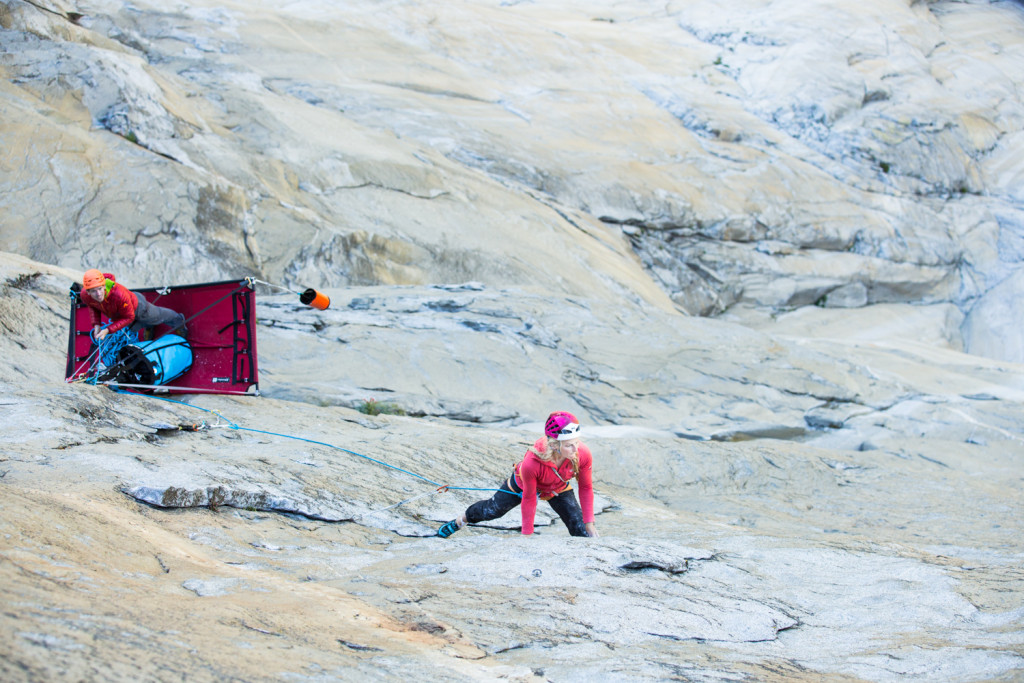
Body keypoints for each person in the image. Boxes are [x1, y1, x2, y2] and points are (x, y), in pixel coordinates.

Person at [437, 411, 598, 538]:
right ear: (555, 445)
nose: (576, 449)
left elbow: (585, 487)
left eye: (577, 442)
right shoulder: (532, 462)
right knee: (492, 511)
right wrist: (526, 535)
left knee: (581, 529)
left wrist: (589, 523)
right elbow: (529, 499)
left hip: (557, 488)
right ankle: (460, 521)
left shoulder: (582, 453)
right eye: (569, 445)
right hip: (521, 486)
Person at [79, 269, 187, 341]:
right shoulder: (85, 295)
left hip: (139, 307)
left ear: (104, 285)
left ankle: (178, 321)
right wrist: (96, 324)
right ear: (88, 292)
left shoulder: (119, 294)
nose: (98, 294)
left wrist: (108, 330)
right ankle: (150, 326)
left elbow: (129, 317)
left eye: (100, 289)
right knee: (138, 326)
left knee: (158, 315)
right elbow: (93, 306)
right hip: (120, 313)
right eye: (93, 291)